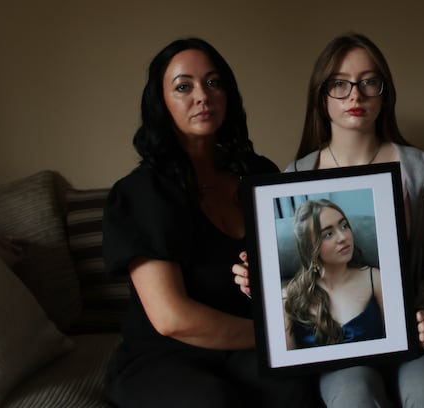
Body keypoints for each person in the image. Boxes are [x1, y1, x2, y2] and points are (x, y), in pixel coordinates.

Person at [234, 32, 424, 407]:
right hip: (337, 347)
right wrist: (258, 280)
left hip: (414, 338)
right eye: (340, 85)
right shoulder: (296, 174)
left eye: (368, 82)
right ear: (321, 96)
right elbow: (289, 291)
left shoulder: (418, 168)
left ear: (384, 92)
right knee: (351, 398)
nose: (355, 96)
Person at [102, 37, 319, 408]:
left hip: (243, 348)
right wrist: (275, 335)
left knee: (297, 388)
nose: (202, 96)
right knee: (212, 401)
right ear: (161, 104)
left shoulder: (259, 173)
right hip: (164, 354)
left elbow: (294, 270)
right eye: (183, 86)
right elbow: (172, 318)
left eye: (213, 82)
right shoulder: (140, 193)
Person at [283, 198, 384, 350]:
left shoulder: (375, 279)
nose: (343, 237)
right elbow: (286, 365)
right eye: (328, 234)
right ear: (310, 248)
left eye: (344, 226)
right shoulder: (290, 296)